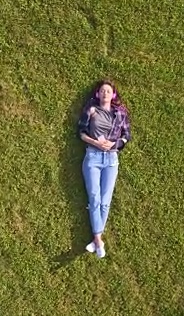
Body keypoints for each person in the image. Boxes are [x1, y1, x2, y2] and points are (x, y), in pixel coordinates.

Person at [77, 80, 131, 258]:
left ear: (113, 95)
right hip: (93, 156)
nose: (105, 93)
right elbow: (81, 132)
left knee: (105, 201)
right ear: (98, 94)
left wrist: (114, 143)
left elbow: (126, 136)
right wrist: (95, 142)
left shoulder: (120, 113)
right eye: (102, 91)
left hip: (111, 159)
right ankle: (99, 240)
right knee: (94, 197)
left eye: (109, 91)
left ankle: (96, 239)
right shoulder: (91, 110)